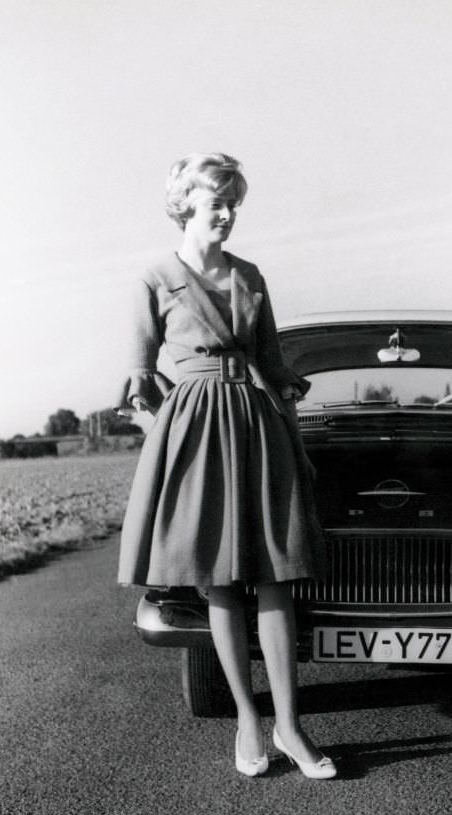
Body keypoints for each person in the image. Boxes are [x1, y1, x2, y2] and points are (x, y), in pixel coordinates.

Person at [117, 153, 335, 779]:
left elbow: (276, 372)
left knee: (275, 576)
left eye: (234, 202)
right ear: (186, 203)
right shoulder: (153, 278)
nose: (228, 213)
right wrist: (168, 446)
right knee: (220, 582)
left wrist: (295, 448)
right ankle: (247, 719)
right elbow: (139, 387)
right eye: (217, 201)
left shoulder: (252, 276)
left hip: (259, 427)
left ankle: (290, 728)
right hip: (193, 435)